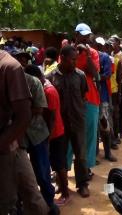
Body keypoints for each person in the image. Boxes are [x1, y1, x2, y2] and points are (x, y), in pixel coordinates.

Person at [0, 50, 49, 214]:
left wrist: (4, 142)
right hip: (17, 141)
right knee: (29, 190)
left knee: (32, 186)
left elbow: (26, 114)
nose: (24, 62)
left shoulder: (10, 68)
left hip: (13, 142)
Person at [47, 45, 91, 198]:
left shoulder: (80, 75)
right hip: (60, 124)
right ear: (63, 58)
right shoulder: (50, 77)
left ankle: (83, 184)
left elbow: (84, 96)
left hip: (78, 121)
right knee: (61, 155)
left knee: (81, 154)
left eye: (76, 60)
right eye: (72, 60)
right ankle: (62, 184)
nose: (75, 62)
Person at [25, 64, 69, 206]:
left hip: (54, 133)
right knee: (54, 165)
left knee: (59, 165)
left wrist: (48, 139)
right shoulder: (47, 87)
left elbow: (51, 117)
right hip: (53, 133)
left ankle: (65, 194)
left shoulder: (48, 91)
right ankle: (60, 190)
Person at [21, 64, 59, 214]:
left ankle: (49, 204)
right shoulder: (9, 82)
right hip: (19, 137)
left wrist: (19, 112)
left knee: (42, 172)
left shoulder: (34, 83)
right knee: (22, 174)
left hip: (37, 134)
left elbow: (40, 109)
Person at [73, 23, 100, 177]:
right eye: (82, 35)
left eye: (87, 35)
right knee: (70, 135)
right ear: (76, 35)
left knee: (89, 134)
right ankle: (64, 167)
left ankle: (87, 167)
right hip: (72, 100)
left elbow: (95, 74)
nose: (85, 38)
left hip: (90, 98)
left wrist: (87, 54)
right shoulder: (68, 51)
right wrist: (76, 52)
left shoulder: (93, 53)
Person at [94, 37, 117, 162]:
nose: (98, 47)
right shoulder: (89, 57)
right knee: (93, 129)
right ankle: (95, 155)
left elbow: (107, 75)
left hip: (102, 97)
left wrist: (94, 77)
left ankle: (107, 153)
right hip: (90, 98)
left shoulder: (105, 58)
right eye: (96, 44)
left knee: (105, 125)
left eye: (99, 45)